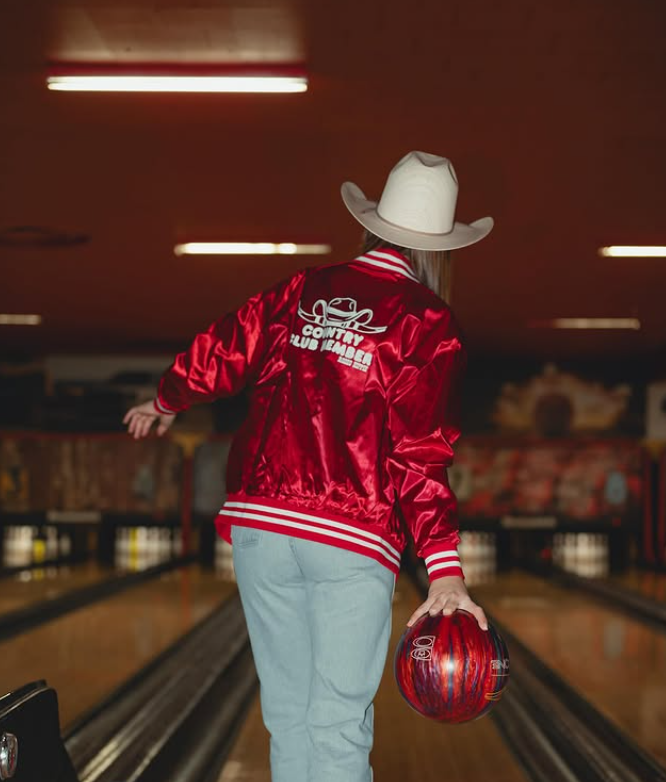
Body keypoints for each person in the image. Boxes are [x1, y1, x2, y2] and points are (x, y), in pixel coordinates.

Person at [124, 151, 493, 782]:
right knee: (337, 724)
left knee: (289, 715)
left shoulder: (302, 289)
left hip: (262, 526)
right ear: (440, 249)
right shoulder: (429, 323)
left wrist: (165, 399)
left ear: (373, 224)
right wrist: (444, 570)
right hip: (351, 536)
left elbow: (224, 347)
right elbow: (419, 453)